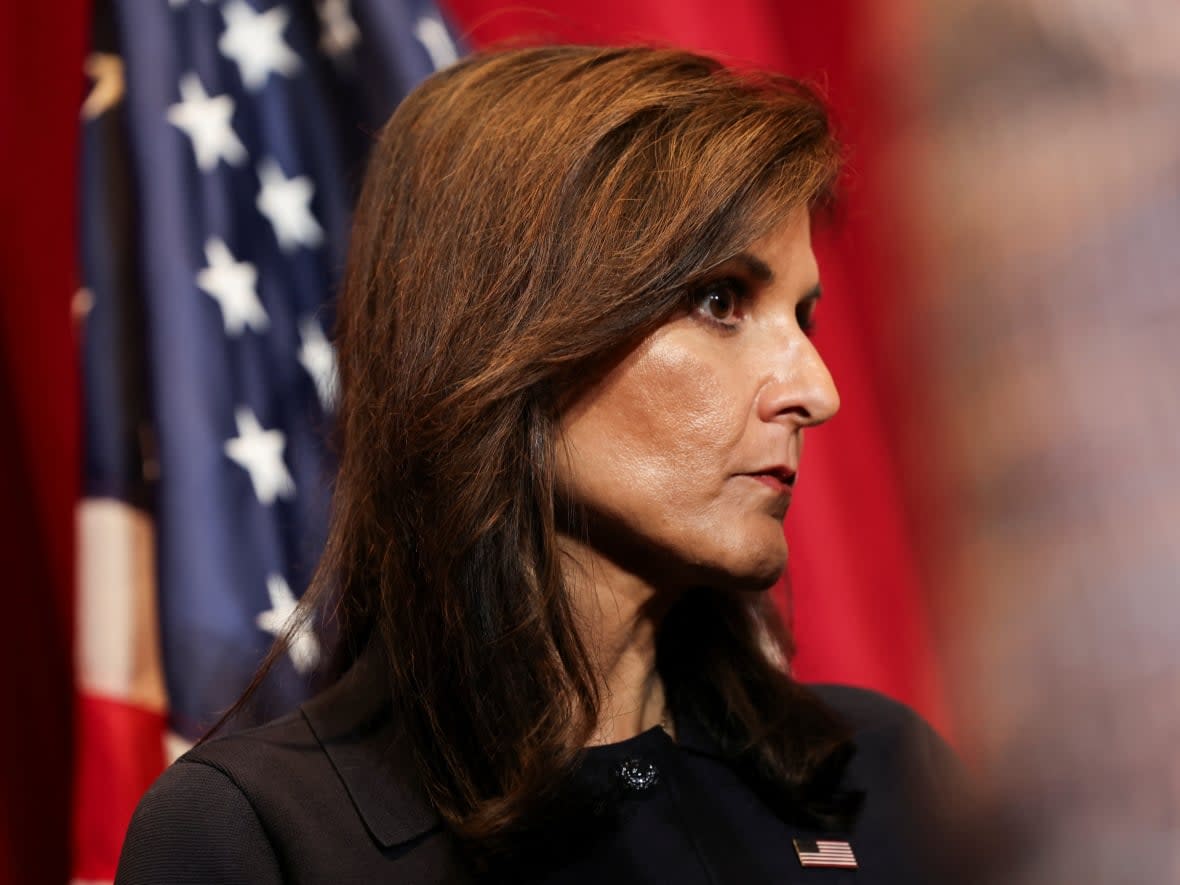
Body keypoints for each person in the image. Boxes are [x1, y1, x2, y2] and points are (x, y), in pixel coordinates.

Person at [115, 45, 962, 884]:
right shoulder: (256, 835)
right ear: (506, 334)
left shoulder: (886, 779)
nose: (816, 390)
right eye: (718, 300)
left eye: (803, 316)